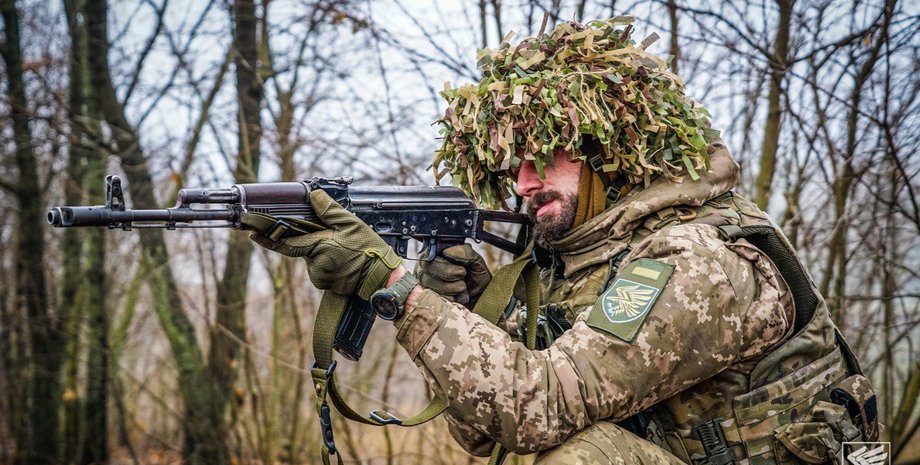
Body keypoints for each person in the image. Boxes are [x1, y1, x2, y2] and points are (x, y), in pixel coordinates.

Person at [248, 18, 879, 465]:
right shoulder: (580, 258)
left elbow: (536, 405)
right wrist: (466, 316)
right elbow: (483, 434)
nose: (523, 184)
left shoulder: (698, 257)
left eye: (546, 158)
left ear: (611, 153)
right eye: (512, 167)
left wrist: (396, 290)